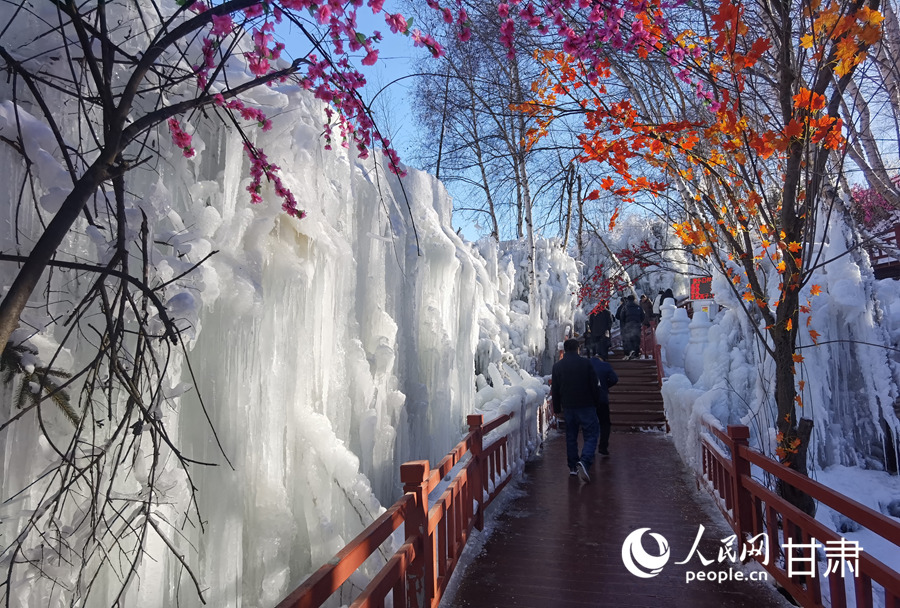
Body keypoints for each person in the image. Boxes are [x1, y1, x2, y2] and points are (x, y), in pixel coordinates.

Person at [551, 338, 601, 482]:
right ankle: (584, 461)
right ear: (578, 349)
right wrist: (596, 402)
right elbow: (594, 384)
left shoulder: (557, 366)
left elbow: (555, 388)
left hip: (568, 407)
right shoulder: (586, 363)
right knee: (591, 434)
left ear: (565, 350)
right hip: (586, 405)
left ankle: (572, 466)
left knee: (571, 436)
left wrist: (557, 407)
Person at [589, 354, 618, 456]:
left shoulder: (586, 365)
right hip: (602, 400)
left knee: (590, 424)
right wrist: (605, 386)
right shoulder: (605, 365)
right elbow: (614, 379)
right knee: (605, 423)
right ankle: (603, 447)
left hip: (588, 400)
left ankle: (590, 448)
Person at [620, 294, 644, 359]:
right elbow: (643, 317)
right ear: (634, 299)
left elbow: (622, 317)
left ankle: (630, 351)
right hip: (637, 325)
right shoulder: (638, 307)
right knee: (636, 339)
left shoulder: (625, 307)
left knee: (629, 339)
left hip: (628, 325)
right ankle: (636, 353)